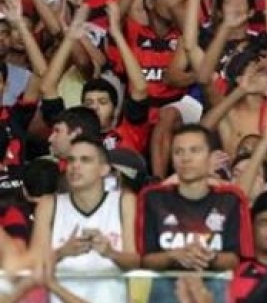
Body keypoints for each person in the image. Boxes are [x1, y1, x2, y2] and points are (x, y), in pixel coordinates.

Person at [138, 124, 252, 301]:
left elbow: (234, 259)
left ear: (210, 157)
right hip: (165, 293)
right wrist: (174, 256)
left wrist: (210, 257)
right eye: (179, 152)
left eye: (194, 150)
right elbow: (145, 259)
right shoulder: (153, 199)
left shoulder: (230, 200)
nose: (186, 158)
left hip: (214, 291)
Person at [30, 137, 139, 302]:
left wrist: (110, 253)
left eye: (85, 160)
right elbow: (32, 264)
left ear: (104, 169)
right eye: (71, 160)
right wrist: (63, 252)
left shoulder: (124, 201)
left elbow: (135, 263)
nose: (75, 166)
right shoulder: (49, 204)